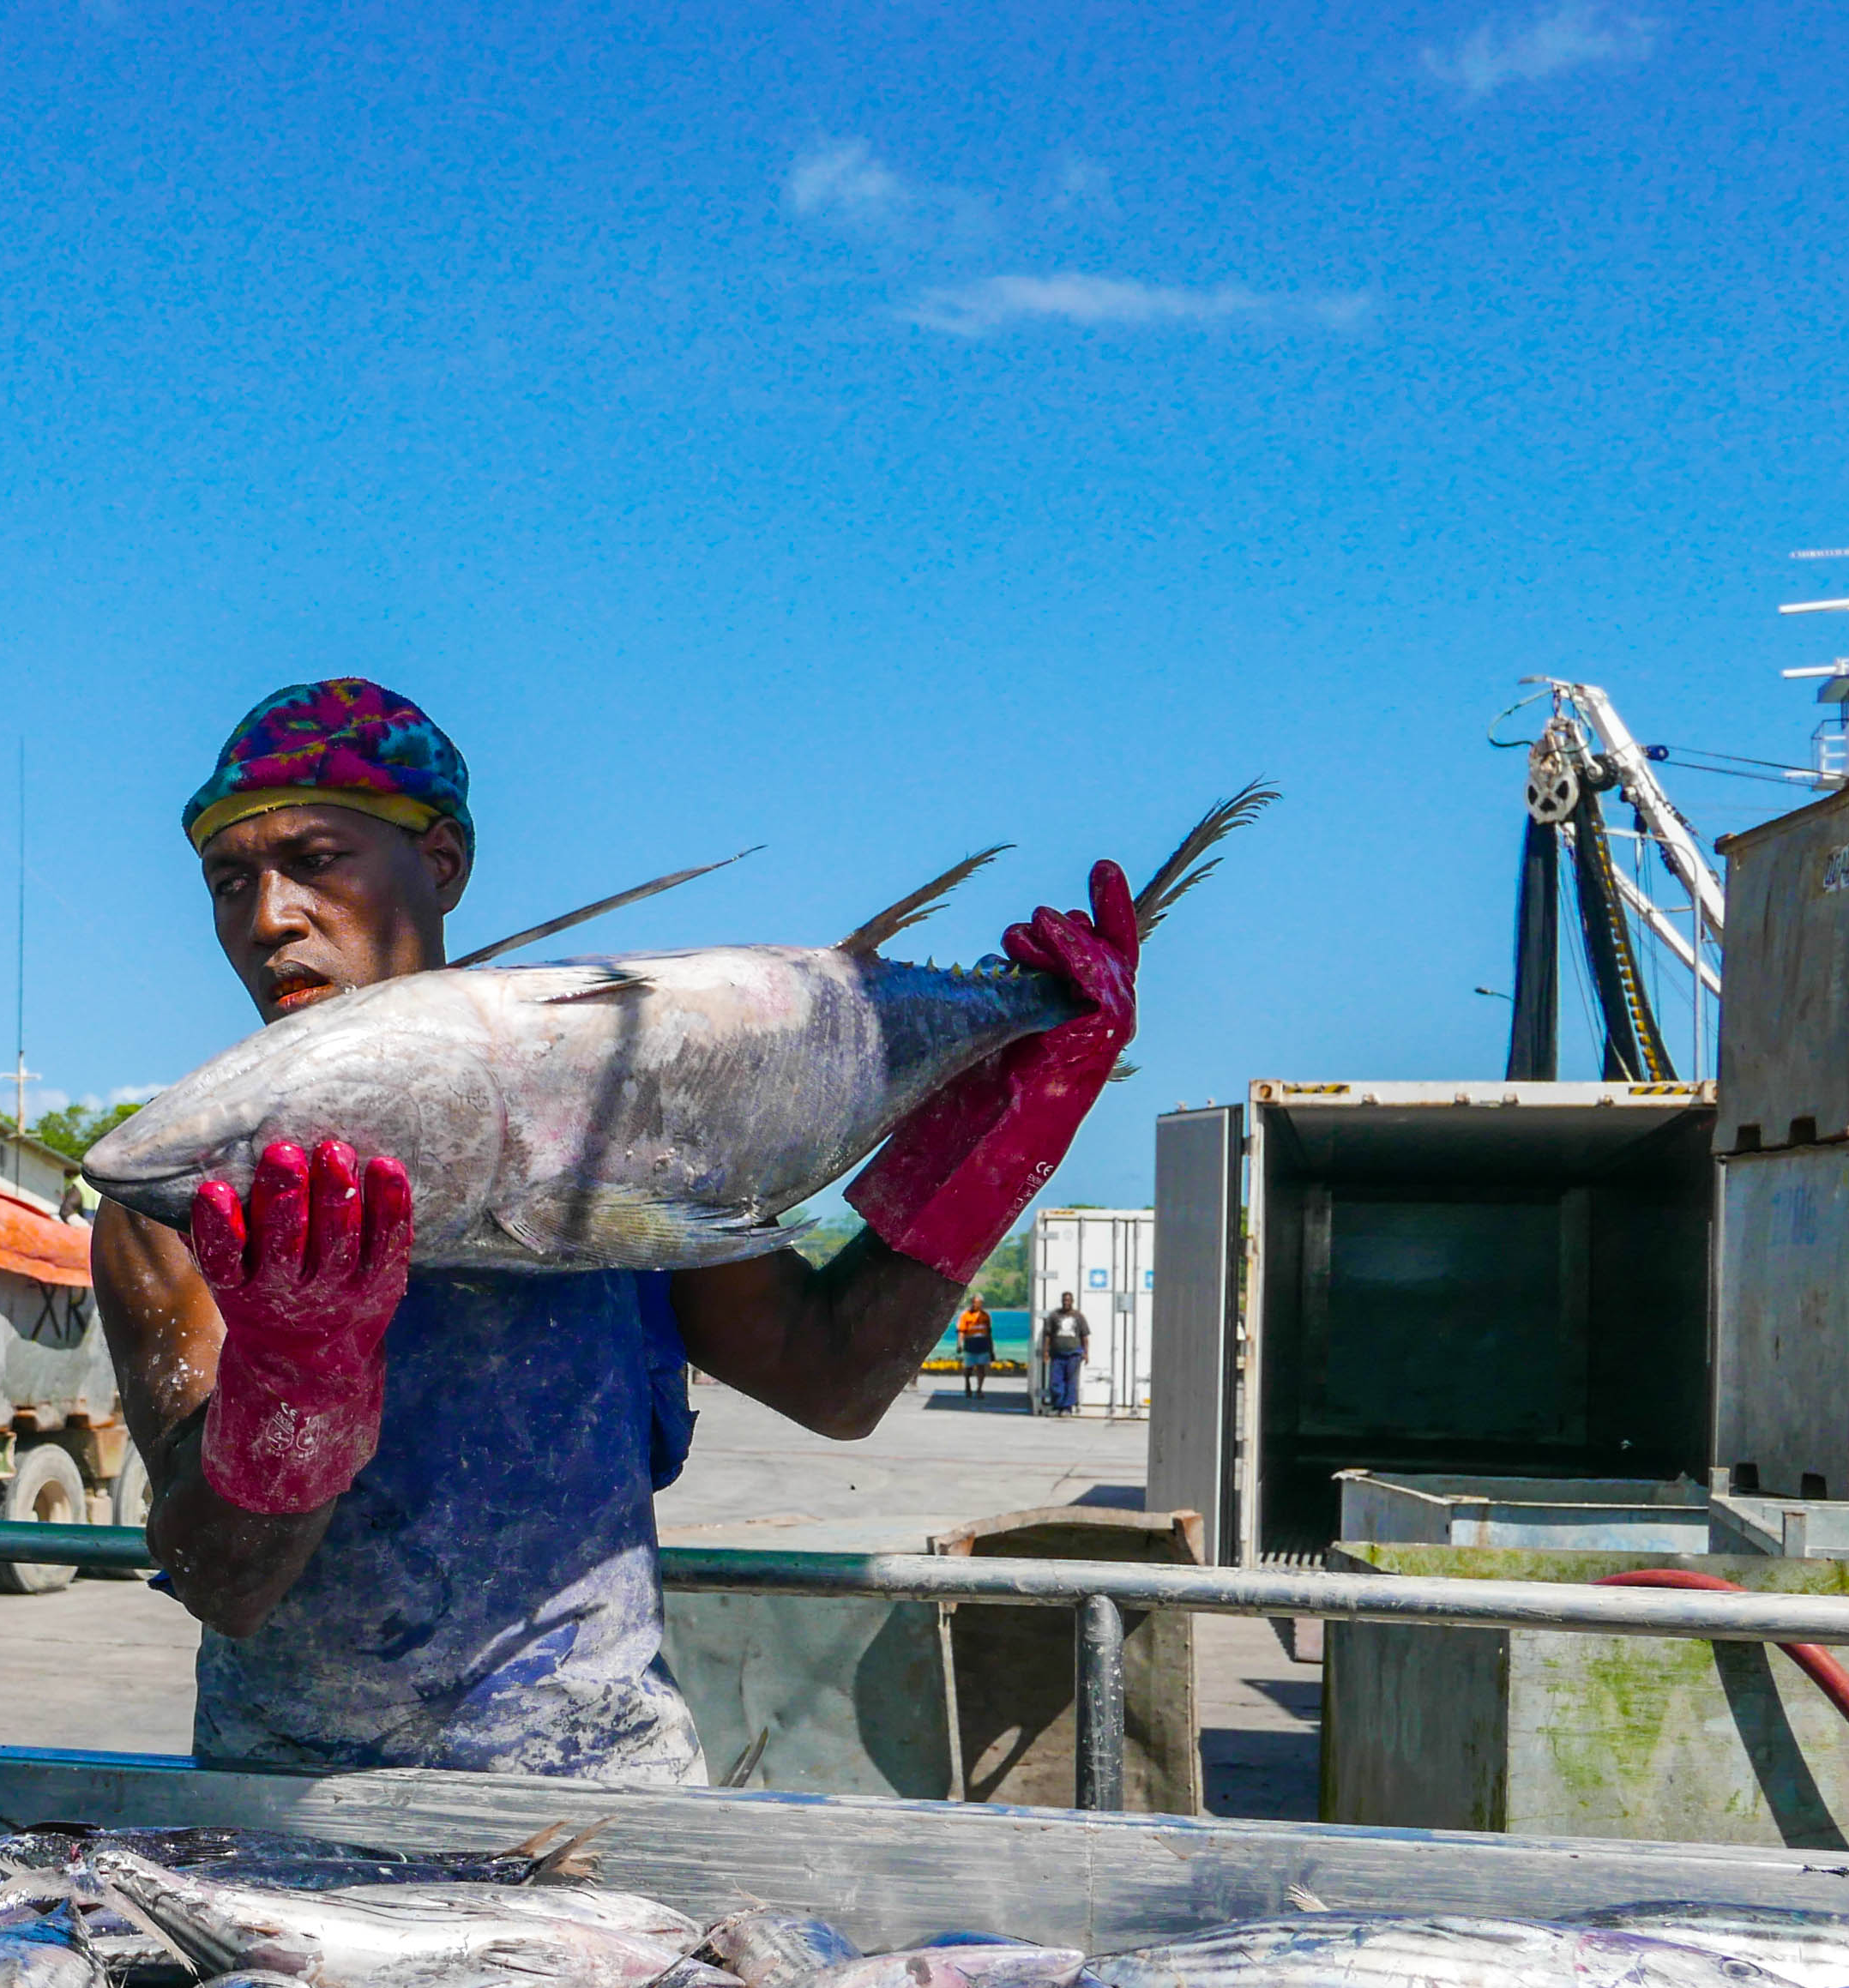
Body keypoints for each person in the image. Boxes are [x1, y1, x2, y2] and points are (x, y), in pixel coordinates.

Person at [93, 678, 1145, 1786]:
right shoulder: (185, 1188)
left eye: (315, 860)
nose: (269, 918)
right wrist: (294, 1388)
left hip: (600, 1809)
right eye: (229, 882)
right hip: (289, 1811)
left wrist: (1003, 1128)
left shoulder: (605, 1110)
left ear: (441, 863)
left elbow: (833, 1378)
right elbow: (224, 1582)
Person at [1041, 1294, 1090, 1415]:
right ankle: (1057, 1406)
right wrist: (1046, 1351)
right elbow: (1047, 1335)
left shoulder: (1079, 1316)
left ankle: (1067, 1408)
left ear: (1072, 1301)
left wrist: (1086, 1353)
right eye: (1064, 1300)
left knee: (1071, 1382)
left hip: (1074, 1354)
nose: (1066, 1302)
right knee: (1055, 1382)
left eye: (1068, 1300)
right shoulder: (1054, 1316)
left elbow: (1085, 1336)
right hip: (1057, 1354)